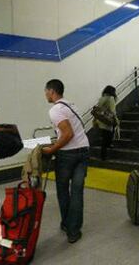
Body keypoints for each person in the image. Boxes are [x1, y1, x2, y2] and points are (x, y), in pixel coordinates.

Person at [42, 79, 89, 243]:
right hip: (83, 151)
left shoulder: (55, 110)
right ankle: (74, 231)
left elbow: (68, 134)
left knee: (63, 190)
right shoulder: (71, 105)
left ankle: (67, 224)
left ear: (52, 91)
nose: (45, 94)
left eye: (46, 91)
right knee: (77, 191)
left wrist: (52, 149)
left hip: (67, 155)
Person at [93, 85, 119, 160]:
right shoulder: (111, 98)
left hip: (101, 120)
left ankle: (106, 150)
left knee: (105, 137)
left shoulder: (102, 98)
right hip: (108, 121)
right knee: (107, 137)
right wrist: (115, 119)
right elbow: (112, 111)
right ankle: (104, 155)